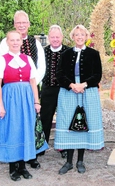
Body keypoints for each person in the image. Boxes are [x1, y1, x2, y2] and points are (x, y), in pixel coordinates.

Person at [0, 30, 49, 181]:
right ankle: (12, 168)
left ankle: (22, 166)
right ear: (7, 42)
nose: (15, 42)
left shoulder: (28, 59)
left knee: (25, 129)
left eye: (18, 40)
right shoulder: (2, 60)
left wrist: (37, 101)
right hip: (10, 99)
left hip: (27, 99)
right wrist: (1, 106)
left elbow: (33, 82)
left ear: (21, 42)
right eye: (12, 40)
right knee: (13, 130)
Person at [54, 24, 104, 175]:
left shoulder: (94, 54)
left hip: (87, 91)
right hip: (69, 92)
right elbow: (59, 73)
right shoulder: (66, 54)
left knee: (83, 123)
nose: (80, 37)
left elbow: (97, 75)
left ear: (86, 37)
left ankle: (80, 161)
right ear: (73, 37)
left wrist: (83, 84)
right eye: (77, 35)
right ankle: (68, 162)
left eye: (82, 34)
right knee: (69, 122)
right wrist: (71, 85)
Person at [0, 10, 45, 168]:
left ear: (29, 24)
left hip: (29, 90)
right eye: (18, 23)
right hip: (11, 92)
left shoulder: (35, 43)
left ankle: (30, 158)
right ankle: (14, 163)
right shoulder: (5, 45)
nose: (21, 25)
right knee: (14, 127)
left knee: (29, 126)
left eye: (24, 22)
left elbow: (40, 67)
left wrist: (29, 86)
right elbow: (1, 75)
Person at [38, 25, 70, 158]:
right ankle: (42, 146)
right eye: (53, 37)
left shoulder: (69, 51)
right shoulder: (43, 52)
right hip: (47, 89)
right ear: (49, 38)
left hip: (65, 90)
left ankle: (64, 147)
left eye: (57, 37)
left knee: (64, 119)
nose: (55, 39)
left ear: (62, 37)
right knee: (45, 118)